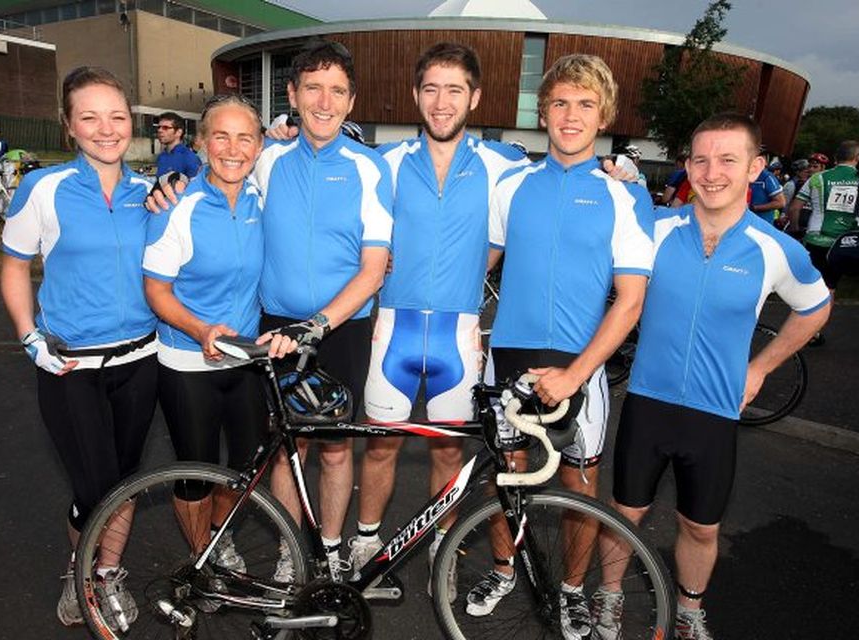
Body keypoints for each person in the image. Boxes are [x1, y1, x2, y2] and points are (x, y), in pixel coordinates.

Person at [594, 113, 832, 640]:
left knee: (700, 525)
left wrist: (761, 366)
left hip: (715, 411)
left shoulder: (775, 249)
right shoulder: (656, 230)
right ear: (686, 166)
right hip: (649, 402)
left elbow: (815, 308)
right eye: (700, 159)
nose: (711, 171)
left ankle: (689, 608)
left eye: (728, 159)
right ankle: (608, 597)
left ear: (755, 168)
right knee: (624, 514)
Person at [472, 53, 654, 640]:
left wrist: (577, 374)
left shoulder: (624, 195)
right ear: (542, 111)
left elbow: (630, 300)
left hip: (582, 362)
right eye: (559, 103)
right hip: (511, 353)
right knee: (507, 473)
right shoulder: (513, 181)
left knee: (580, 482)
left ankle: (571, 590)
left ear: (604, 113)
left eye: (584, 104)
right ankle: (503, 569)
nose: (571, 115)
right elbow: (478, 264)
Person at [343, 43, 530, 597]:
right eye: (430, 88)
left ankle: (441, 549)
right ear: (415, 95)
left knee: (449, 449)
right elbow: (341, 217)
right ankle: (366, 544)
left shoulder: (505, 166)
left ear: (475, 97)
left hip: (458, 332)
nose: (441, 101)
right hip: (393, 326)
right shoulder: (386, 162)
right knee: (381, 444)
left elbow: (550, 201)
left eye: (454, 89)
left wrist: (619, 176)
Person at [0, 66, 159, 629]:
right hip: (69, 364)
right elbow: (15, 268)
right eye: (89, 117)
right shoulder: (41, 188)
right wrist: (29, 336)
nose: (106, 128)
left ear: (131, 121)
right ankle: (80, 569)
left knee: (128, 479)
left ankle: (107, 574)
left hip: (141, 360)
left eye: (117, 116)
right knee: (95, 487)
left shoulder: (151, 192)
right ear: (69, 125)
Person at [142, 94, 299, 572]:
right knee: (196, 477)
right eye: (221, 137)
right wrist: (200, 328)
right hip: (188, 361)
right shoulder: (177, 204)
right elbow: (156, 291)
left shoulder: (263, 197)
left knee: (242, 473)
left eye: (245, 137)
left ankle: (219, 536)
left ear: (258, 145)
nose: (233, 149)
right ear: (203, 144)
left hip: (246, 359)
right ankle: (201, 561)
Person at [257, 39, 393, 581]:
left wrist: (320, 323)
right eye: (312, 87)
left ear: (351, 101)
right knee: (291, 451)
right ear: (292, 94)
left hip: (340, 329)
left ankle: (331, 548)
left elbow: (373, 268)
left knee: (336, 450)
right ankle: (293, 549)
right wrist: (170, 185)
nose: (324, 101)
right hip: (277, 328)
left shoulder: (369, 167)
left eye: (337, 90)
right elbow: (215, 186)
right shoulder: (266, 159)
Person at [787, 140, 859, 344]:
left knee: (809, 284)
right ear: (857, 158)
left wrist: (795, 229)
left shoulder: (818, 178)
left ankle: (798, 325)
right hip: (844, 243)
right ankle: (814, 333)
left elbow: (794, 208)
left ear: (836, 157)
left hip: (815, 239)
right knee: (829, 287)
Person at [155, 111, 201, 179]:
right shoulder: (161, 157)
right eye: (159, 127)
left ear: (178, 132)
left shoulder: (189, 157)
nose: (160, 130)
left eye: (165, 128)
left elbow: (197, 186)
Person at [748, 155, 785, 224]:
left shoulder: (767, 177)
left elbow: (780, 203)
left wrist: (754, 208)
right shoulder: (742, 174)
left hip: (761, 223)